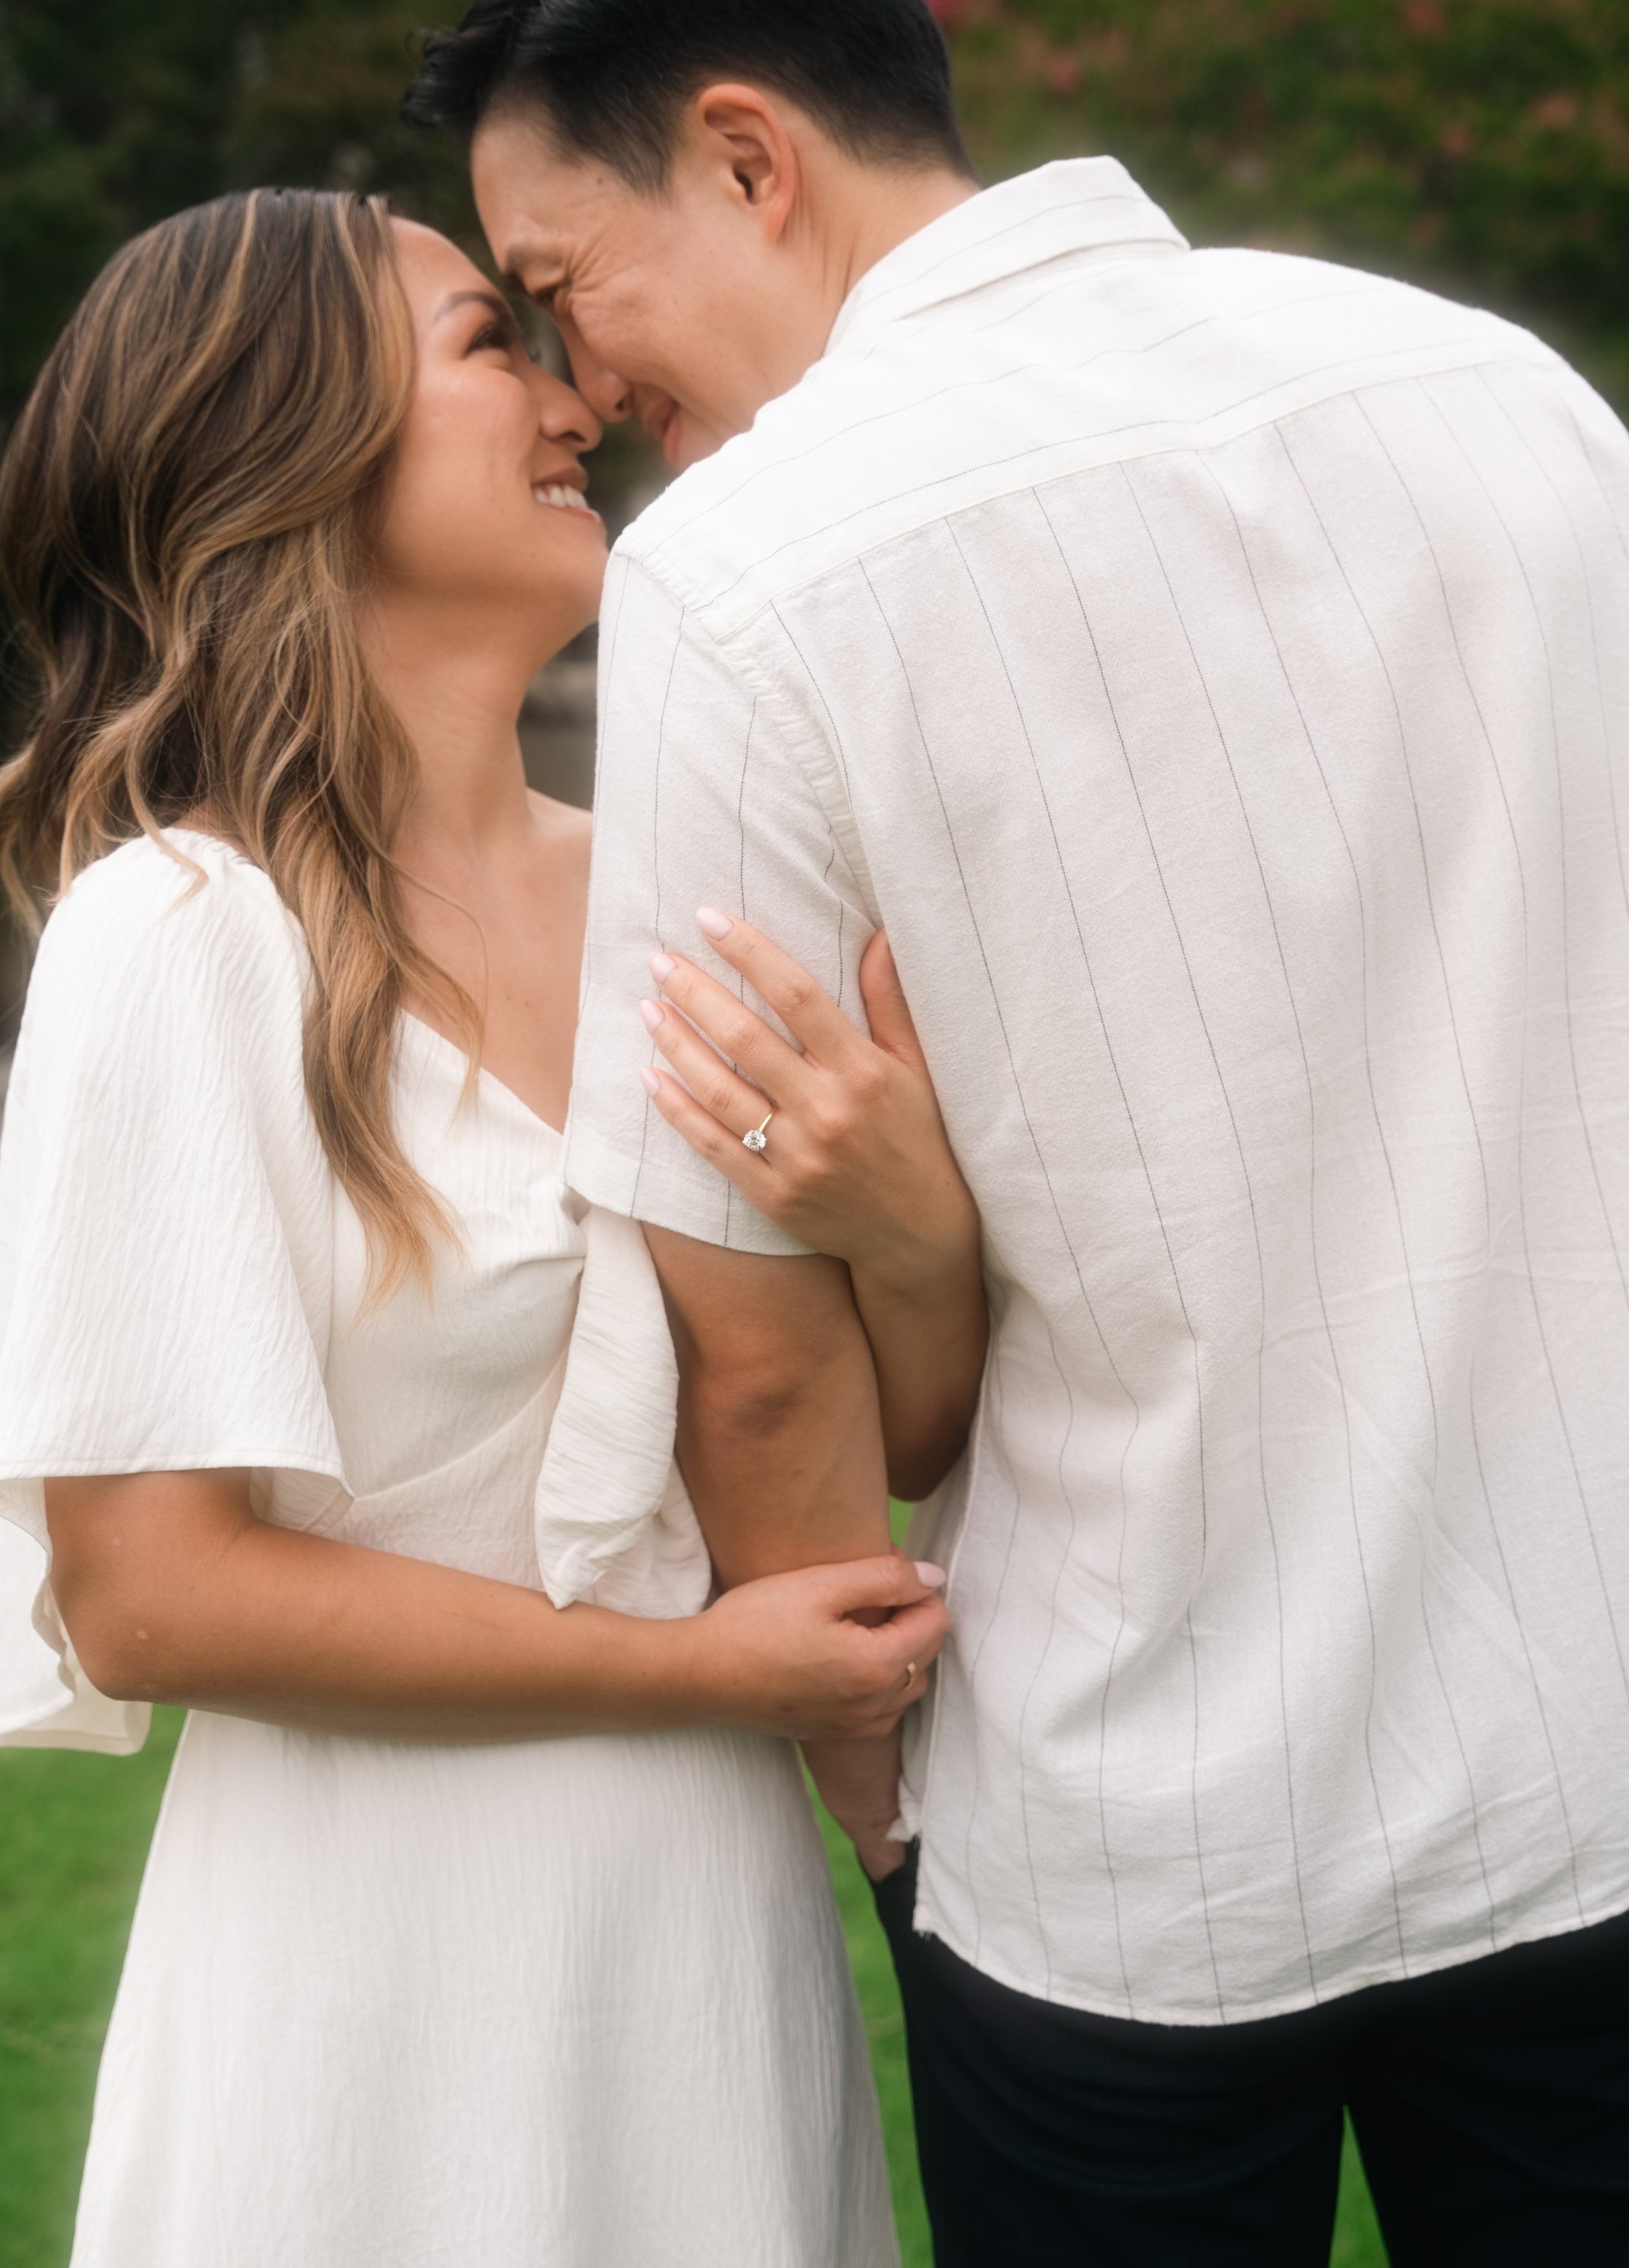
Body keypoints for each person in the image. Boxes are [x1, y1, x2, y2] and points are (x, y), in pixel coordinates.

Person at [408, 0, 1629, 2259]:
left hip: (1118, 1853)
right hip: (1591, 1753)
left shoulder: (743, 571)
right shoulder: (1509, 396)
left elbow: (756, 1352)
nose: (577, 394)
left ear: (750, 159)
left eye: (562, 292)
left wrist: (883, 1812)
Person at [0, 184, 983, 2267]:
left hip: (705, 1937)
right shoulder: (176, 935)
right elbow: (148, 1591)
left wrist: (906, 1233)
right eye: (485, 340)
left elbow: (869, 1437)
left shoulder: (687, 894)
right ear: (290, 449)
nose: (576, 395)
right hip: (366, 1968)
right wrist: (697, 1668)